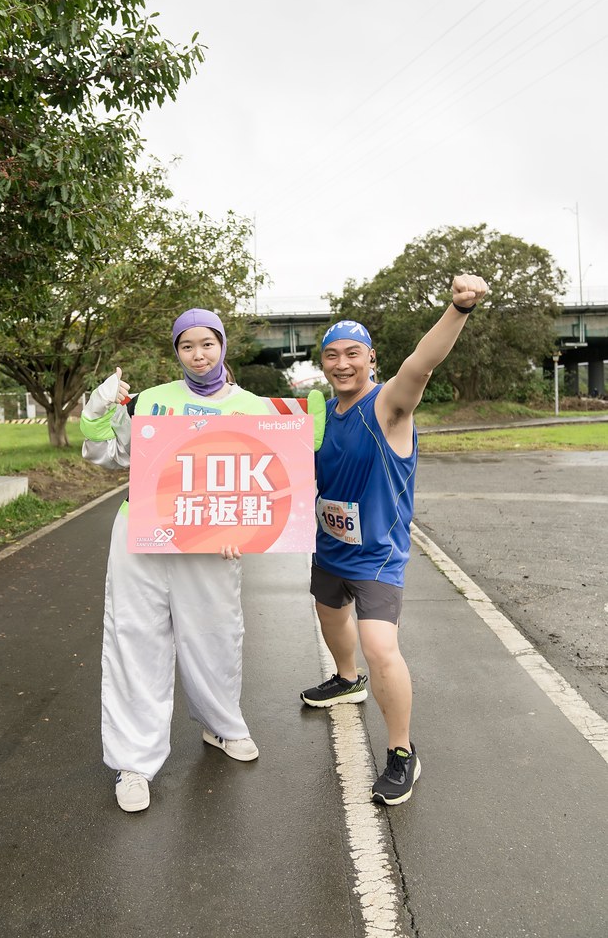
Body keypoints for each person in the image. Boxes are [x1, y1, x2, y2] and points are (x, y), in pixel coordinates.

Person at [300, 274, 489, 806]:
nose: (342, 364)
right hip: (330, 545)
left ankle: (403, 751)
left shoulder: (388, 406)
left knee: (382, 646)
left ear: (372, 359)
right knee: (328, 614)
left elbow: (420, 366)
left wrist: (457, 310)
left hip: (377, 554)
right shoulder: (322, 416)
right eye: (332, 355)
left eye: (352, 354)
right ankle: (345, 679)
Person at [81, 308, 267, 813]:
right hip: (142, 535)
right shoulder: (150, 400)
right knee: (134, 640)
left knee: (215, 634)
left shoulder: (253, 407)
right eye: (187, 346)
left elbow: (269, 483)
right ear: (176, 351)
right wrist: (99, 412)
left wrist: (246, 530)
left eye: (207, 343)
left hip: (211, 544)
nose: (198, 354)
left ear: (223, 346)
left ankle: (222, 724)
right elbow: (105, 456)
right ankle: (133, 763)